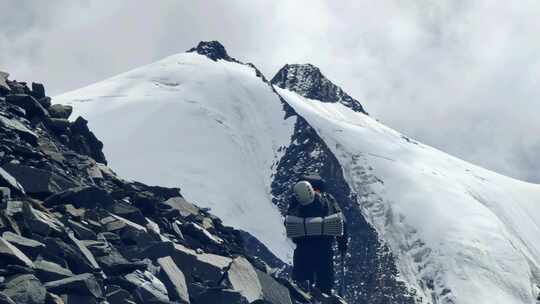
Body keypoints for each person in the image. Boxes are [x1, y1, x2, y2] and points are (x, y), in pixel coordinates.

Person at [285, 174, 348, 294]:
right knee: (325, 285)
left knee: (300, 285)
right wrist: (342, 245)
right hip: (324, 249)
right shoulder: (328, 200)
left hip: (303, 249)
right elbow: (343, 222)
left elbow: (288, 223)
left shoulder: (295, 203)